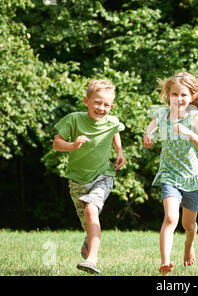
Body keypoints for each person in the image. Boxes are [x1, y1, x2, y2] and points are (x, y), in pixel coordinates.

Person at [143, 72, 198, 275]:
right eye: (174, 94)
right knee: (170, 218)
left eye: (183, 94)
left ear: (191, 97)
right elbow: (148, 132)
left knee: (188, 224)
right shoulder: (160, 115)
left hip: (192, 176)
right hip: (169, 174)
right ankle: (165, 262)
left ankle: (189, 245)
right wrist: (147, 137)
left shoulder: (195, 117)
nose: (179, 98)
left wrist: (189, 133)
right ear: (168, 95)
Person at [53, 79, 126, 274]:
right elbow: (56, 143)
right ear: (86, 101)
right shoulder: (74, 119)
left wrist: (119, 151)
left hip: (103, 176)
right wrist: (72, 145)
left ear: (112, 106)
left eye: (106, 104)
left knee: (91, 211)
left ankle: (92, 260)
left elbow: (115, 129)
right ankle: (88, 242)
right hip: (77, 180)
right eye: (97, 102)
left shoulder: (112, 121)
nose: (101, 107)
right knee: (87, 221)